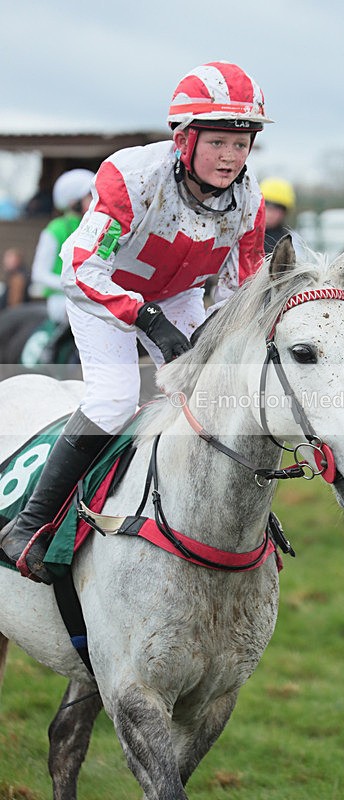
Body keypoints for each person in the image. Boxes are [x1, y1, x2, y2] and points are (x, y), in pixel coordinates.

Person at [0, 60, 271, 583]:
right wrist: (144, 314)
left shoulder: (250, 199)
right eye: (219, 142)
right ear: (184, 138)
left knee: (213, 399)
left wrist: (216, 334)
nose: (232, 157)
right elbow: (80, 267)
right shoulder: (131, 174)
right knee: (117, 397)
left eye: (242, 144)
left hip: (177, 297)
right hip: (102, 292)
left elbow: (243, 289)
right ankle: (29, 526)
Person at [30, 169, 95, 362]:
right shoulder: (55, 228)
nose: (95, 200)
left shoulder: (95, 225)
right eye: (89, 196)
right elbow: (39, 273)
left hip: (91, 296)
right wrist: (73, 285)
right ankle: (50, 354)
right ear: (73, 201)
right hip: (62, 300)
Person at [260, 177, 296, 254]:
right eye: (266, 204)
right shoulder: (245, 234)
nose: (270, 213)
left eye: (277, 207)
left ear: (284, 212)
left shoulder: (291, 242)